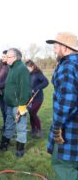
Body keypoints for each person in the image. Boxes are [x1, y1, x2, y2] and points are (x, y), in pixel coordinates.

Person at [46, 32, 78, 179]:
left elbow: (67, 102)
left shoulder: (68, 66)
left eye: (56, 45)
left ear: (65, 48)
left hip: (69, 130)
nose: (54, 49)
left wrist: (56, 129)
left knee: (64, 167)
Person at [0, 48, 31, 158]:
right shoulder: (12, 68)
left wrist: (22, 106)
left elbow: (25, 89)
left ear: (15, 58)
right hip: (9, 104)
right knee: (8, 125)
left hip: (18, 105)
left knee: (20, 127)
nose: (6, 59)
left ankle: (20, 150)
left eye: (8, 57)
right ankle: (3, 145)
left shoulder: (22, 69)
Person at [24, 59, 49, 138]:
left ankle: (39, 130)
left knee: (33, 112)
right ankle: (33, 130)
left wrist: (36, 88)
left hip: (38, 98)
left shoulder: (38, 73)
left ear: (32, 66)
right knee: (31, 113)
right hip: (29, 98)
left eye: (28, 67)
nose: (27, 69)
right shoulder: (27, 74)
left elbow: (46, 82)